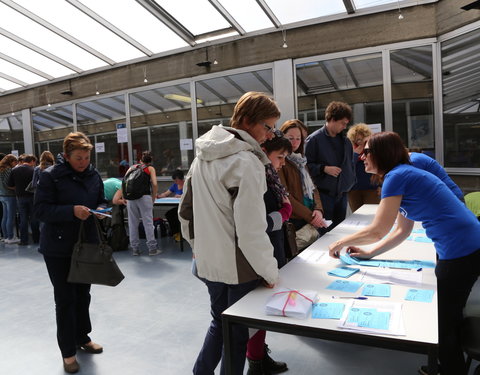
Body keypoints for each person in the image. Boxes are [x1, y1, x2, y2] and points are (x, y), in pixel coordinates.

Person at [328, 131, 480, 375]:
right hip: (465, 245)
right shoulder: (402, 174)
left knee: (442, 324)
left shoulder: (397, 176)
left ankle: (452, 369)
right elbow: (401, 231)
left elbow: (378, 229)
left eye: (366, 152)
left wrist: (339, 242)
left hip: (461, 251)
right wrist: (368, 254)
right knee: (448, 314)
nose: (361, 158)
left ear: (381, 154)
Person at [178, 91, 280, 375]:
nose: (270, 135)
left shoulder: (201, 158)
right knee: (236, 337)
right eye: (267, 127)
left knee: (218, 323)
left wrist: (199, 248)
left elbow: (185, 212)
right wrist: (270, 272)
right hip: (239, 269)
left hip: (210, 263)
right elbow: (251, 230)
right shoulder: (246, 163)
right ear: (248, 121)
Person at [33, 132, 108, 374]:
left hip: (85, 243)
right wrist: (71, 211)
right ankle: (68, 352)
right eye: (78, 158)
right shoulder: (50, 177)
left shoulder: (93, 174)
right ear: (66, 156)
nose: (83, 162)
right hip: (58, 248)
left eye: (86, 157)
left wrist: (100, 210)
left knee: (83, 295)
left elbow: (102, 201)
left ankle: (82, 337)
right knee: (65, 299)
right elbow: (41, 211)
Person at [245, 131, 292, 375]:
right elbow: (256, 222)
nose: (282, 162)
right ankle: (255, 361)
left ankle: (259, 355)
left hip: (272, 247)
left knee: (263, 307)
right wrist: (284, 212)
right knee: (256, 309)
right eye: (280, 156)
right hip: (262, 251)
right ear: (265, 153)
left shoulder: (270, 175)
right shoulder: (257, 176)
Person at [305, 101, 356, 232]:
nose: (344, 127)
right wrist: (324, 168)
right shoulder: (314, 140)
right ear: (332, 119)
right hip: (324, 195)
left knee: (339, 231)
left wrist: (350, 182)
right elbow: (305, 168)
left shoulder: (345, 141)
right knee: (324, 232)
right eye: (342, 123)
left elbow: (350, 164)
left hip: (342, 194)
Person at [279, 119, 327, 250]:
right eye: (290, 138)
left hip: (309, 216)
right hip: (295, 219)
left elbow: (313, 188)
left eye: (298, 139)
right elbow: (285, 194)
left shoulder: (301, 160)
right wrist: (310, 216)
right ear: (282, 137)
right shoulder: (280, 161)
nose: (294, 142)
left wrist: (318, 210)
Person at [122, 151, 161, 256]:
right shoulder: (150, 168)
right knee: (148, 223)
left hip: (130, 198)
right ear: (151, 161)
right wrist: (153, 197)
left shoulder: (132, 167)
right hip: (144, 197)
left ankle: (135, 249)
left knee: (132, 223)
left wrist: (124, 196)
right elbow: (155, 183)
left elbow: (124, 181)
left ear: (140, 160)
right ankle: (152, 249)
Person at [346, 123, 380, 212]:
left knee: (372, 214)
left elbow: (379, 168)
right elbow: (348, 167)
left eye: (362, 138)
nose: (360, 142)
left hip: (371, 188)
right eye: (357, 139)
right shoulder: (350, 150)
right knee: (357, 215)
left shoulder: (373, 148)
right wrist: (355, 154)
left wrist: (380, 185)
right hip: (353, 189)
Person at [8, 154, 39, 245]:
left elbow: (10, 185)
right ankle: (36, 239)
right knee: (34, 218)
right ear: (32, 161)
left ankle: (24, 240)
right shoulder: (33, 170)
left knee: (23, 219)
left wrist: (17, 188)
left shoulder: (14, 170)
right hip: (32, 197)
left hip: (20, 197)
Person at [157, 169, 184, 242]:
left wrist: (181, 196)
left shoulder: (187, 184)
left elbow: (190, 195)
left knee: (175, 215)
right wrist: (160, 196)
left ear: (181, 179)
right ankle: (176, 233)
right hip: (178, 206)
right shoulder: (175, 185)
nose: (175, 182)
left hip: (185, 207)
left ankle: (180, 233)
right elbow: (166, 193)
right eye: (174, 180)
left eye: (176, 180)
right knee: (169, 214)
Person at [0, 154, 19, 244]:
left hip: (2, 196)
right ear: (11, 162)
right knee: (10, 217)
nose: (16, 164)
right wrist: (16, 187)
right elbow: (8, 184)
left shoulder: (1, 169)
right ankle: (11, 237)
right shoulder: (8, 169)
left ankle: (5, 236)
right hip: (9, 195)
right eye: (15, 162)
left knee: (5, 217)